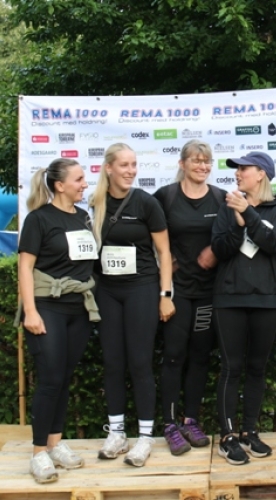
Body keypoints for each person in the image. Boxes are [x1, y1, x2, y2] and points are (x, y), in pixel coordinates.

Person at [90, 143, 175, 467]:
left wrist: (165, 295)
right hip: (108, 291)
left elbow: (164, 252)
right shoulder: (95, 203)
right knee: (112, 362)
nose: (130, 170)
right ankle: (116, 433)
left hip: (141, 289)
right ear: (109, 168)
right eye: (124, 165)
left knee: (140, 363)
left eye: (134, 164)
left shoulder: (146, 202)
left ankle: (145, 437)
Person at [17, 159, 99, 483]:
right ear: (60, 185)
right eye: (79, 179)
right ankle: (38, 453)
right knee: (50, 379)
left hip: (78, 309)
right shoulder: (38, 219)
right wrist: (30, 311)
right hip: (47, 307)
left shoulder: (83, 217)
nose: (84, 184)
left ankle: (54, 443)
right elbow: (25, 267)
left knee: (64, 378)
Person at [212, 151, 276, 465]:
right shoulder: (227, 207)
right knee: (231, 368)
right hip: (229, 298)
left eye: (243, 168)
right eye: (237, 169)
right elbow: (220, 249)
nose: (237, 173)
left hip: (268, 299)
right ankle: (228, 436)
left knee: (257, 368)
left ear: (261, 174)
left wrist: (249, 214)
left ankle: (249, 431)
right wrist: (237, 222)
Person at [153, 140, 225, 456]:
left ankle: (191, 420)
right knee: (173, 355)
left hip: (209, 292)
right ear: (182, 164)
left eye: (207, 161)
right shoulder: (165, 197)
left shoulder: (221, 198)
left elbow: (231, 237)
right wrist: (166, 273)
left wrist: (216, 250)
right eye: (196, 160)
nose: (202, 166)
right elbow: (151, 240)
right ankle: (170, 424)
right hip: (177, 292)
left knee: (200, 356)